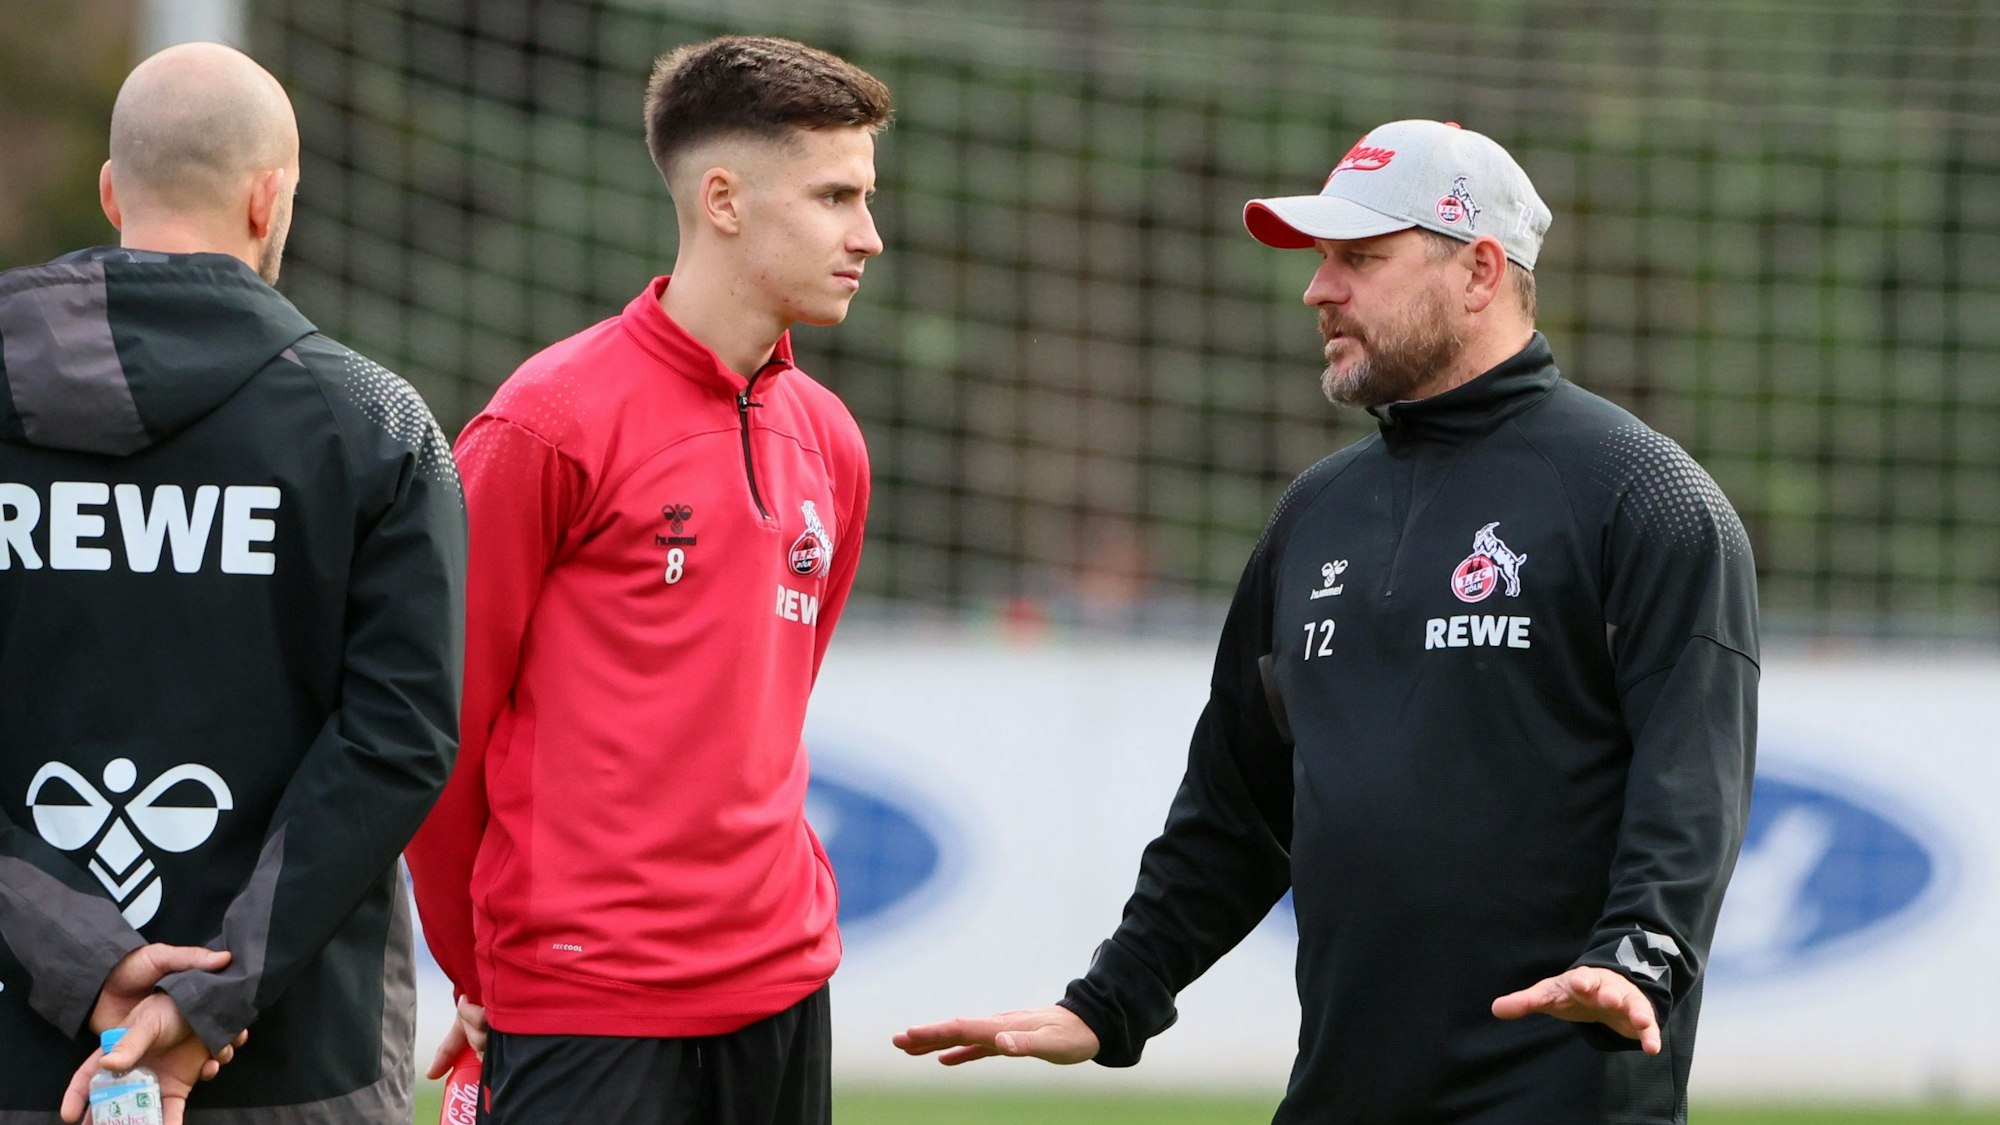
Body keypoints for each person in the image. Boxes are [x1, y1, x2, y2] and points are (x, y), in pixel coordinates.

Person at [896, 119, 1758, 1125]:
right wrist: (1109, 1000)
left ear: (1478, 271)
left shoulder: (1641, 497)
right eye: (1318, 261)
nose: (1317, 290)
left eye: (1359, 258)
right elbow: (1238, 810)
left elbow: (1690, 776)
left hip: (1561, 1094)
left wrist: (1637, 956)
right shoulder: (1313, 513)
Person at [404, 35, 887, 1125]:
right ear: (722, 198)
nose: (867, 234)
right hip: (585, 999)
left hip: (784, 985)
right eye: (834, 196)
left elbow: (774, 699)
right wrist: (477, 968)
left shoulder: (833, 443)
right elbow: (441, 723)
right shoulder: (547, 422)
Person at [0, 41, 465, 1125]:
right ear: (271, 198)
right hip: (301, 1058)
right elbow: (399, 739)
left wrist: (85, 962)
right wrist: (211, 991)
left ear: (114, 192)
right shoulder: (376, 428)